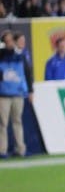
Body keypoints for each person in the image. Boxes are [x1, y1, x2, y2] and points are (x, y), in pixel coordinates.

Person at [0, 30, 30, 158]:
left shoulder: (20, 55)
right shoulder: (1, 54)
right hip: (3, 94)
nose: (9, 43)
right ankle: (2, 150)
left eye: (11, 40)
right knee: (3, 123)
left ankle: (20, 149)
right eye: (7, 41)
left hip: (17, 93)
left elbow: (27, 73)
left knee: (17, 121)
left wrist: (29, 90)